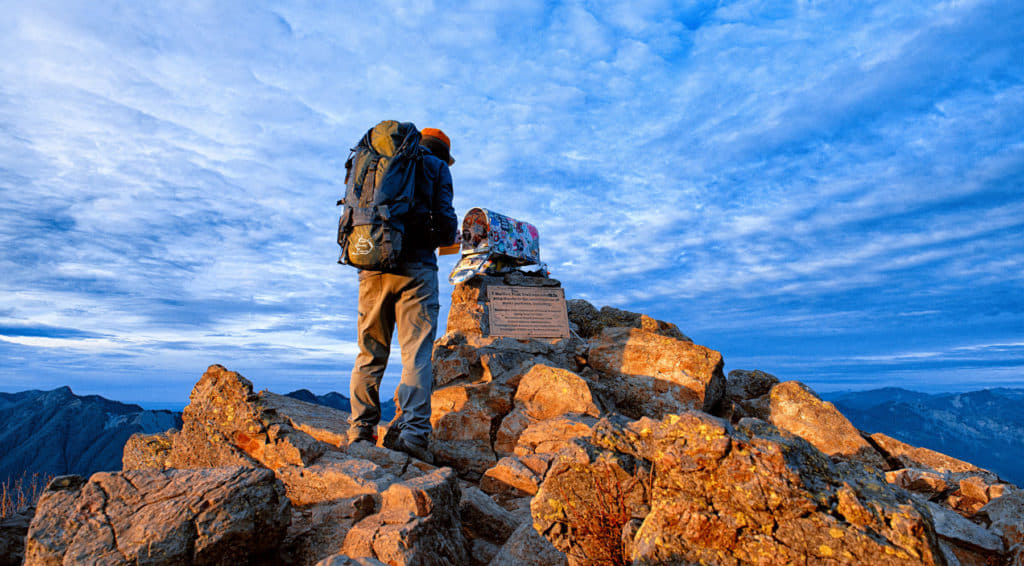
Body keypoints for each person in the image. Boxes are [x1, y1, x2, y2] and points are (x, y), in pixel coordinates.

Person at [346, 127, 458, 464]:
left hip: (372, 264)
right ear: (442, 152)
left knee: (369, 352)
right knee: (417, 355)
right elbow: (447, 227)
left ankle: (360, 432)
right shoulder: (438, 168)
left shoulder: (381, 161)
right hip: (418, 272)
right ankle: (413, 437)